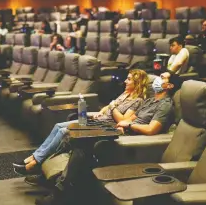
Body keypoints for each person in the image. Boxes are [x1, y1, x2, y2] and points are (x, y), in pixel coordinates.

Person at [30, 73, 181, 205]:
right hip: (120, 130)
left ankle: (59, 193)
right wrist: (124, 123)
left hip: (129, 140)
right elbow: (132, 117)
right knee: (74, 136)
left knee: (80, 142)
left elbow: (151, 129)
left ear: (169, 85)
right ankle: (58, 186)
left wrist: (129, 125)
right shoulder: (150, 101)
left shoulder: (165, 105)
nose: (157, 80)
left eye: (162, 77)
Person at [12, 69, 150, 175]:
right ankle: (33, 157)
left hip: (105, 127)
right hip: (99, 120)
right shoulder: (125, 94)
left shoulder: (138, 101)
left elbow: (123, 120)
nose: (125, 81)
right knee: (58, 125)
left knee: (63, 131)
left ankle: (35, 163)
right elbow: (107, 108)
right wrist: (100, 113)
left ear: (137, 83)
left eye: (129, 79)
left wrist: (112, 106)